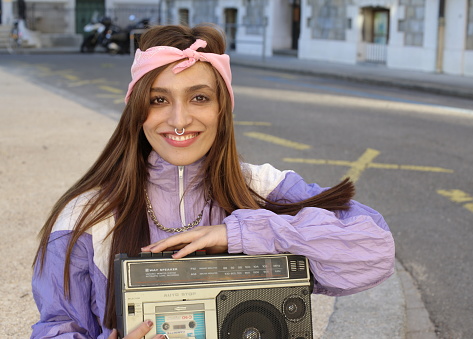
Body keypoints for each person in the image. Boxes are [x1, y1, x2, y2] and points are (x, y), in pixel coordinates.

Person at [31, 24, 395, 339]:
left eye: (199, 97)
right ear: (137, 110)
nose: (179, 119)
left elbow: (375, 250)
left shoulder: (262, 188)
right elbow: (57, 325)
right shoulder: (86, 216)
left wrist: (243, 234)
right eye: (159, 99)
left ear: (223, 107)